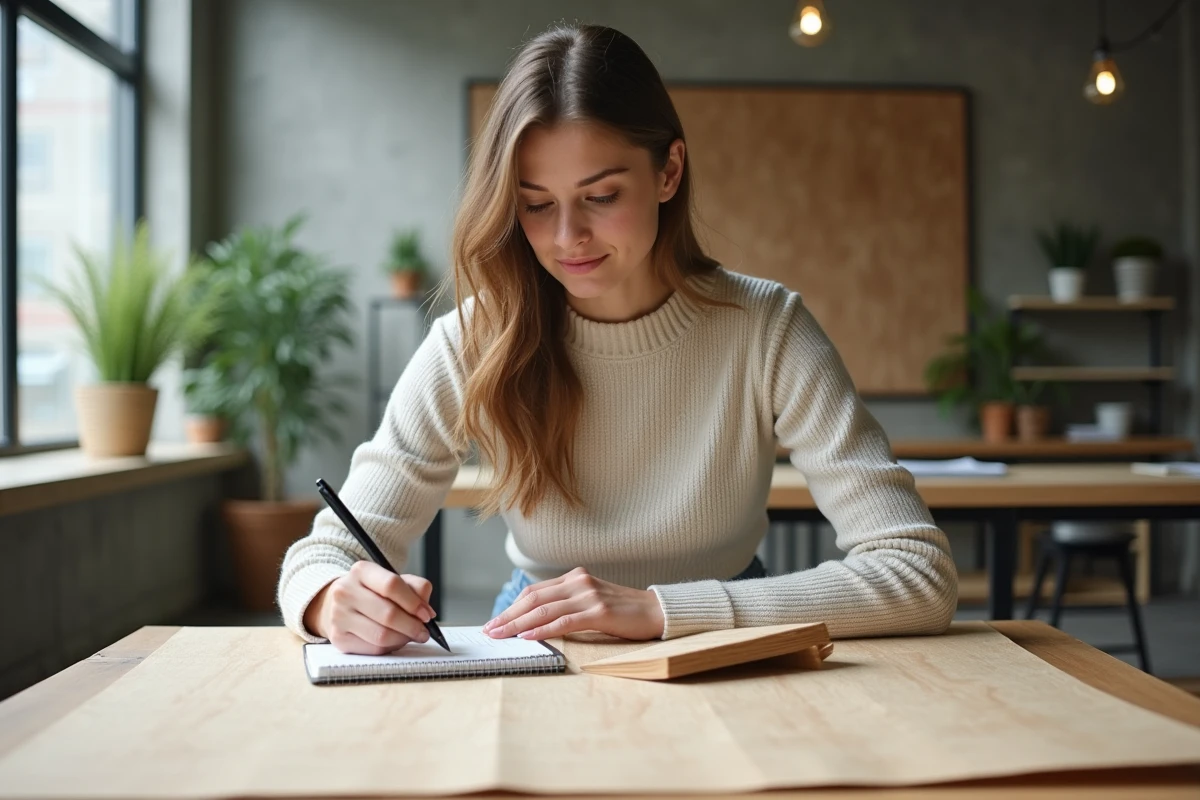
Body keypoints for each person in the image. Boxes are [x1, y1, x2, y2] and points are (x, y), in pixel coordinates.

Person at [278, 23, 957, 655]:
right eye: (536, 204)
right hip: (544, 641)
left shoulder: (766, 328)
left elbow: (918, 572)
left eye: (600, 196)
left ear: (668, 172)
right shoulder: (476, 339)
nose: (567, 237)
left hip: (720, 628)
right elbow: (322, 555)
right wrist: (328, 599)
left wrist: (665, 610)